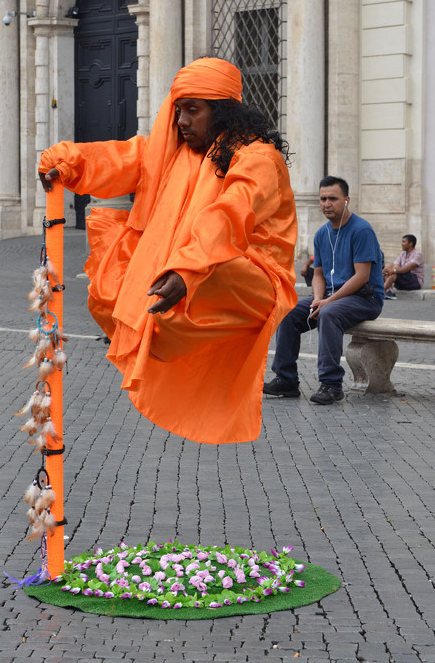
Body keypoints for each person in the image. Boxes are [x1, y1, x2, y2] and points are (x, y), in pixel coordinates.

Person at [39, 57, 298, 445]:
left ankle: (178, 292)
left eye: (193, 110)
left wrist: (188, 268)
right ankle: (156, 326)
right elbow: (116, 158)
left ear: (223, 111)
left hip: (248, 280)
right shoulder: (169, 153)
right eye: (178, 110)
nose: (181, 121)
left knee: (214, 266)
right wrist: (64, 163)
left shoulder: (259, 159)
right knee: (115, 283)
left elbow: (229, 214)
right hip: (187, 272)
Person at [263, 176, 384, 405]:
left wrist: (328, 302)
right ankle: (286, 378)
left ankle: (331, 384)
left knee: (329, 314)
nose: (327, 203)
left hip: (364, 298)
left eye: (333, 198)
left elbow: (362, 276)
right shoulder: (321, 234)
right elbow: (317, 274)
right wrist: (318, 298)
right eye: (323, 199)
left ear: (346, 200)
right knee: (288, 311)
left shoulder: (361, 230)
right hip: (330, 297)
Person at [382, 234, 424, 299]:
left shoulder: (418, 254)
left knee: (394, 272)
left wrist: (394, 270)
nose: (402, 244)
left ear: (410, 244)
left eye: (404, 242)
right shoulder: (402, 254)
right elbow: (394, 265)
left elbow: (408, 268)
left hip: (414, 281)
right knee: (388, 266)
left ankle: (382, 292)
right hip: (403, 279)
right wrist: (387, 270)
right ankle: (390, 291)